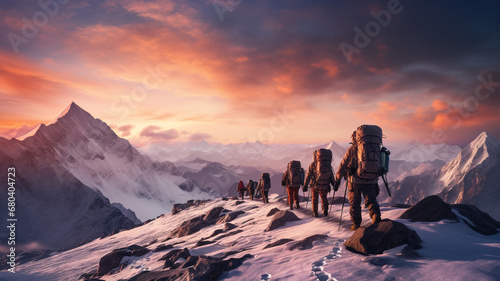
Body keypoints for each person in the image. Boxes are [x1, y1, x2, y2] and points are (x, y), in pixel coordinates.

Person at [335, 130, 382, 231]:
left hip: (355, 181)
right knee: (371, 200)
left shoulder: (352, 149)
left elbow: (343, 165)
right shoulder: (376, 148)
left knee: (354, 203)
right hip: (371, 179)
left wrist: (337, 179)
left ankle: (356, 225)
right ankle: (375, 214)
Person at [304, 149, 336, 217]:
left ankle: (315, 212)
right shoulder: (328, 165)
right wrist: (334, 184)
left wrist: (305, 185)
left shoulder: (312, 165)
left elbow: (308, 176)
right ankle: (325, 209)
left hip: (315, 185)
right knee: (324, 197)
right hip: (325, 185)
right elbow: (331, 175)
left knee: (314, 199)